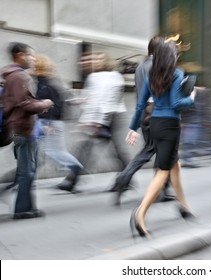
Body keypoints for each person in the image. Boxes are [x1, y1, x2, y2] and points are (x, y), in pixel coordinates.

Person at [127, 39, 197, 238]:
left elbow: (140, 106)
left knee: (175, 165)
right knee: (163, 171)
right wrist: (191, 98)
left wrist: (132, 128)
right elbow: (176, 103)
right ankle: (140, 214)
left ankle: (183, 206)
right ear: (171, 57)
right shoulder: (176, 74)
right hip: (169, 126)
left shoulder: (151, 76)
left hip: (155, 124)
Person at [110, 36, 175, 205]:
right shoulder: (158, 66)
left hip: (145, 115)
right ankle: (126, 180)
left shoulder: (140, 67)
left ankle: (161, 188)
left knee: (153, 151)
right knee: (157, 152)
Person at [58, 52, 128, 192]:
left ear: (106, 61)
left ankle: (72, 180)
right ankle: (72, 180)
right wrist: (83, 110)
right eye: (93, 59)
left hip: (112, 117)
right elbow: (90, 98)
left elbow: (108, 100)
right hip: (99, 116)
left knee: (113, 150)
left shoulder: (114, 76)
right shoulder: (93, 77)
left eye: (98, 59)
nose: (94, 62)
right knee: (89, 148)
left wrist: (98, 121)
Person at [1, 42, 54, 219]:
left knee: (28, 170)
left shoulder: (11, 75)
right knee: (27, 171)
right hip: (23, 128)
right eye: (30, 55)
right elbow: (22, 103)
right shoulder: (18, 76)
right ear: (20, 55)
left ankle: (27, 207)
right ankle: (23, 209)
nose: (33, 59)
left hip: (20, 128)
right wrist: (44, 104)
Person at [33, 54, 84, 192]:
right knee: (35, 151)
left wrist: (48, 124)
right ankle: (25, 179)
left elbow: (54, 105)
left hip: (49, 122)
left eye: (34, 63)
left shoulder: (46, 84)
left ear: (39, 67)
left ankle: (75, 167)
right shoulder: (45, 82)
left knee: (53, 151)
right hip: (45, 121)